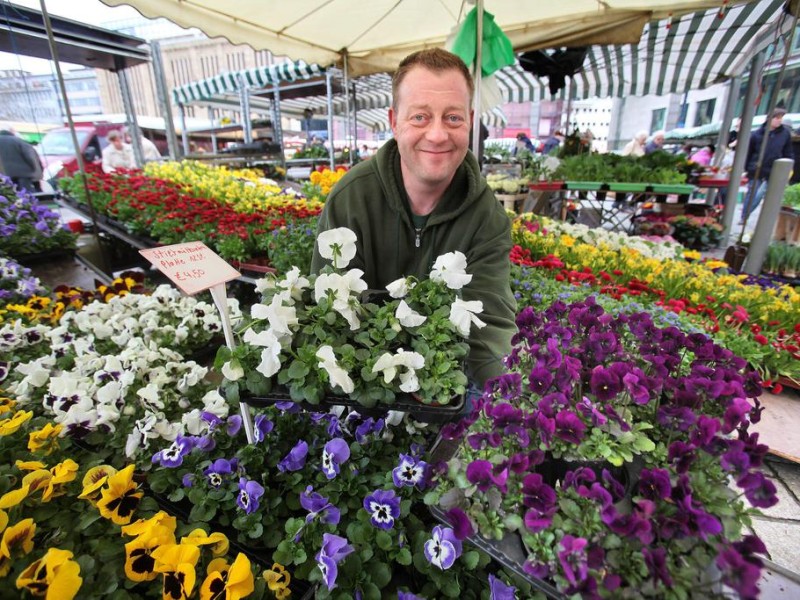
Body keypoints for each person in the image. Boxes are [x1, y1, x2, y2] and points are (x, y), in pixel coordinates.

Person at [310, 48, 516, 388]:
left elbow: (489, 324)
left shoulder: (486, 214)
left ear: (471, 119)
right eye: (420, 117)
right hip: (366, 384)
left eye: (453, 117)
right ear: (393, 121)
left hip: (447, 384)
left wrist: (506, 397)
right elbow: (331, 311)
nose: (437, 135)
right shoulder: (353, 198)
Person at [741, 107, 794, 224]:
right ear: (770, 118)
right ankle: (744, 216)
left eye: (781, 118)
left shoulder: (784, 134)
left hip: (774, 169)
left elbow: (788, 151)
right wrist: (746, 168)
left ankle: (750, 216)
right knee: (753, 193)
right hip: (756, 168)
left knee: (763, 195)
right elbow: (749, 152)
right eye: (777, 118)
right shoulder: (757, 134)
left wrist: (789, 165)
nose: (779, 121)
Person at [0, 122, 43, 192]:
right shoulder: (19, 141)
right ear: (11, 131)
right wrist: (35, 172)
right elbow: (31, 157)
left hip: (4, 177)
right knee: (26, 196)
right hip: (23, 176)